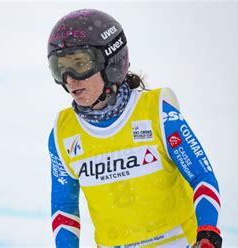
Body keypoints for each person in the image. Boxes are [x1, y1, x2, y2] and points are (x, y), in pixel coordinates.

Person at [47, 9, 222, 248]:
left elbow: (201, 177)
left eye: (80, 64)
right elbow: (64, 210)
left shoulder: (158, 113)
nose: (69, 79)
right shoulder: (63, 134)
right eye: (60, 67)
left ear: (110, 63)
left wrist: (207, 233)